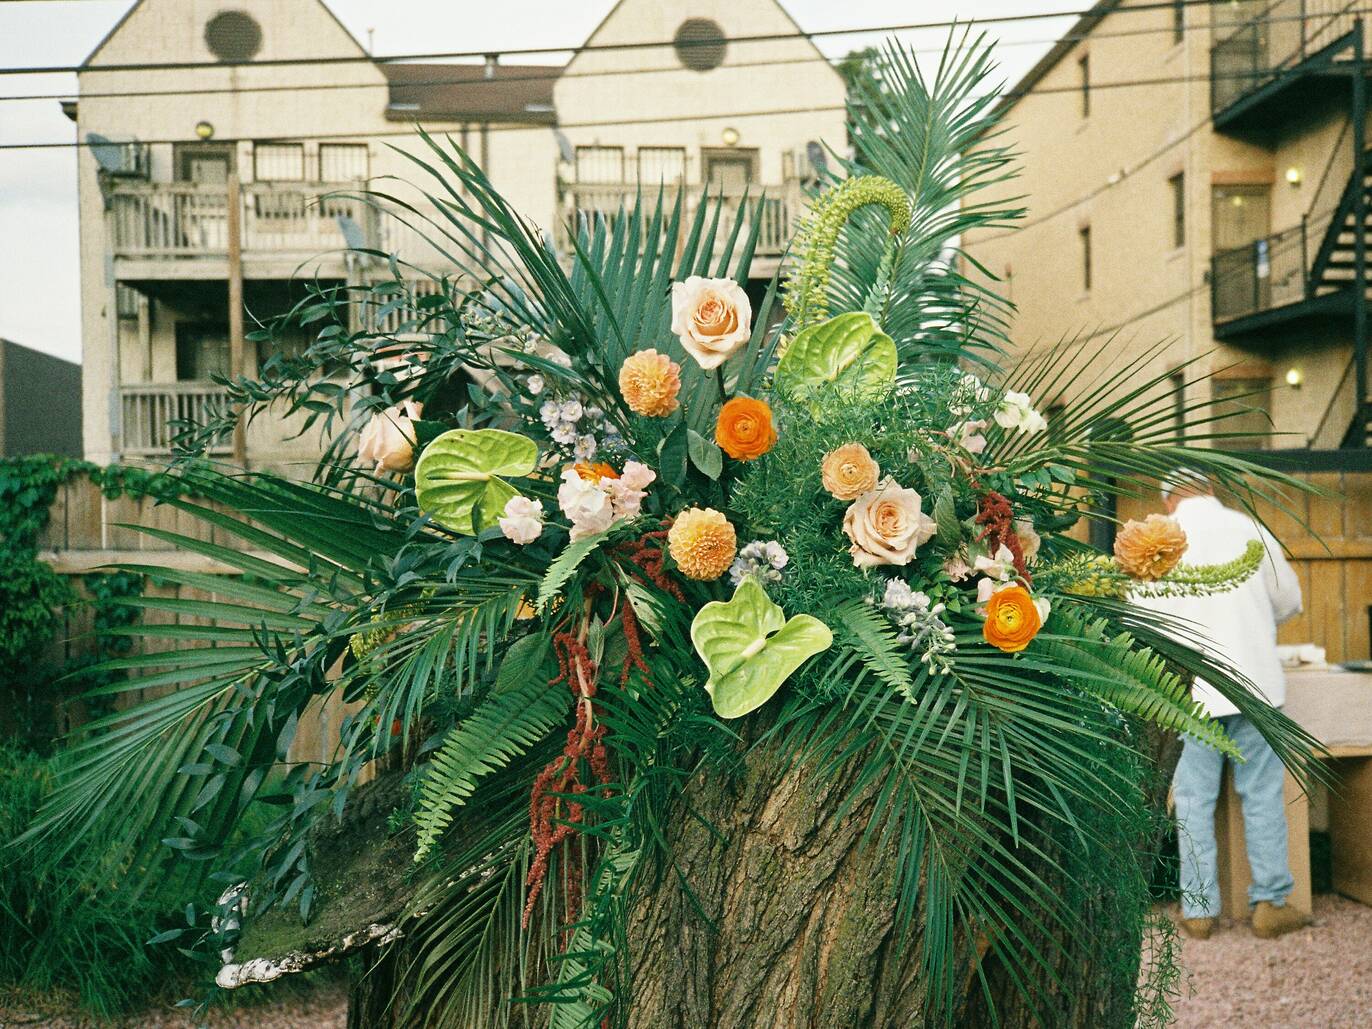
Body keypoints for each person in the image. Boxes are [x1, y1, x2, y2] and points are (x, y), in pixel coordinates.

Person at [1143, 472, 1308, 940]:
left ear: (1170, 500)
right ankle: (1271, 903)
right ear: (1211, 489)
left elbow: (1142, 617)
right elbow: (1289, 601)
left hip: (1188, 693)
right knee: (1262, 796)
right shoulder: (1249, 528)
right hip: (1256, 686)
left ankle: (1199, 911)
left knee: (1194, 801)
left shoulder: (1158, 538)